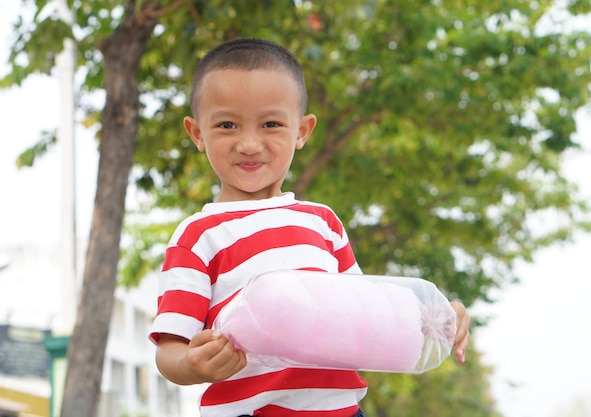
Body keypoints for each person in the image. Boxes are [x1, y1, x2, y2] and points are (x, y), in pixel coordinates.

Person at [149, 37, 471, 417]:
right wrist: (192, 364)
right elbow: (169, 349)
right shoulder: (198, 236)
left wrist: (437, 316)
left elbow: (369, 314)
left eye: (271, 124)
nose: (249, 143)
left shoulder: (323, 223)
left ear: (301, 131)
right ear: (197, 133)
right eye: (227, 125)